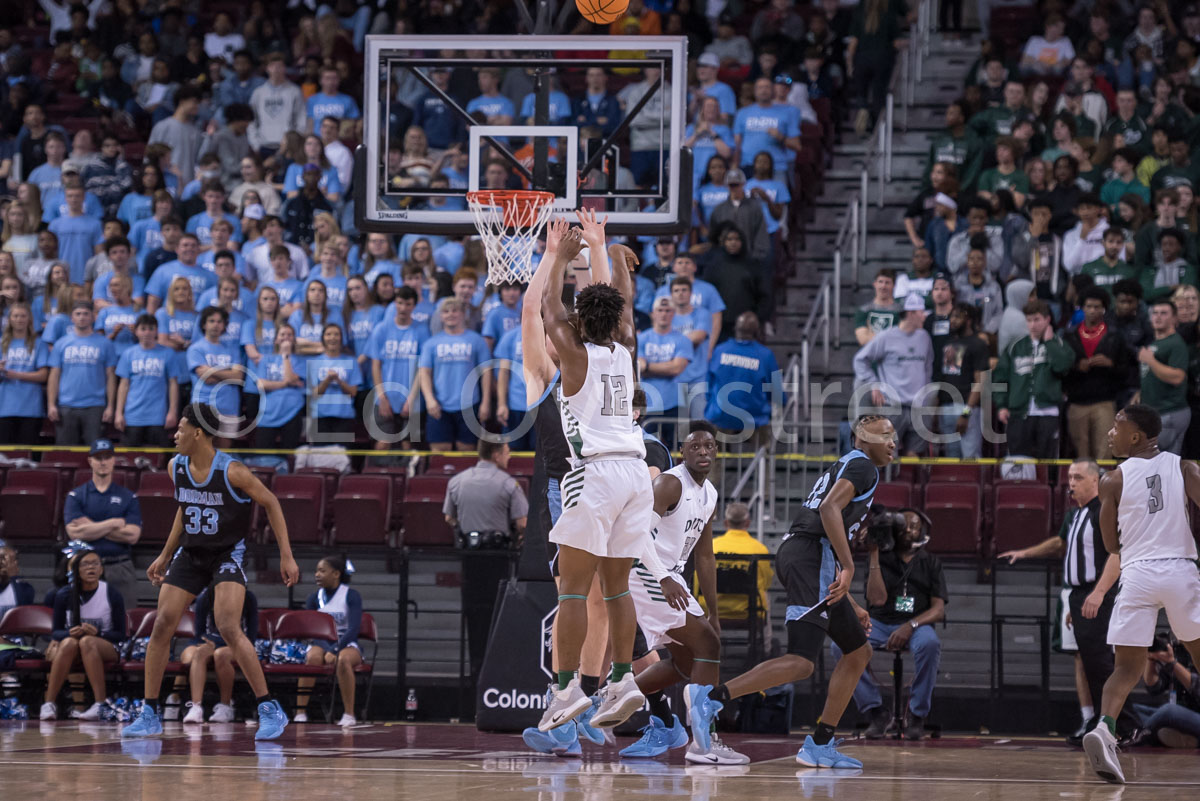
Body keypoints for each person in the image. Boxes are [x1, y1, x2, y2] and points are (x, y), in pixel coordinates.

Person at [687, 415, 895, 769]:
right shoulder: (863, 467)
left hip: (811, 557)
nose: (893, 442)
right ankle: (712, 698)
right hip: (811, 555)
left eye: (894, 436)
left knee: (858, 651)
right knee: (801, 662)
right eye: (885, 435)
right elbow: (829, 509)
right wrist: (849, 566)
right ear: (862, 439)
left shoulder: (851, 464)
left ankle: (820, 743)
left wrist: (851, 603)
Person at [536, 227, 680, 734]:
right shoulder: (626, 351)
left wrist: (559, 257)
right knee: (617, 590)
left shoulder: (575, 357)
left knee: (573, 592)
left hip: (593, 474)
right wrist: (612, 259)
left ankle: (566, 689)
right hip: (635, 475)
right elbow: (627, 311)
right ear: (617, 321)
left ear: (580, 323)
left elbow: (549, 308)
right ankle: (621, 679)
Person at [122, 402, 299, 739]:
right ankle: (148, 712)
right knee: (161, 624)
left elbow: (272, 503)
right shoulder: (176, 467)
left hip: (226, 554)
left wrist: (286, 556)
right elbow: (185, 507)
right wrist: (164, 554)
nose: (174, 435)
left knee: (228, 625)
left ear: (198, 433)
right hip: (191, 553)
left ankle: (269, 707)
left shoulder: (233, 471)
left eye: (180, 430)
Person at [1084, 405, 1200, 783]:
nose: (1110, 435)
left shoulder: (1111, 480)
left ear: (1136, 436)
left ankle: (1103, 728)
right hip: (1180, 569)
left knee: (1126, 668)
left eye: (1116, 429)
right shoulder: (1185, 467)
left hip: (1136, 573)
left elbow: (1110, 543)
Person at [619, 421, 747, 763]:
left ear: (716, 451)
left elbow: (705, 555)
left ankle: (610, 699)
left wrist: (713, 612)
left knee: (686, 661)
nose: (703, 452)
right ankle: (703, 743)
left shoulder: (710, 494)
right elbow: (637, 534)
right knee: (708, 645)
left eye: (708, 447)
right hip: (647, 571)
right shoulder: (669, 483)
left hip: (672, 574)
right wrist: (662, 577)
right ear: (682, 451)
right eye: (695, 447)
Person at [1001, 459, 1135, 742]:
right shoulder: (1076, 514)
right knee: (1090, 663)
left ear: (1094, 481)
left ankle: (1124, 725)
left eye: (1077, 477)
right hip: (1078, 595)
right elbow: (1061, 544)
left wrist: (1098, 593)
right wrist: (1026, 553)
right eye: (1069, 477)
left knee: (1102, 664)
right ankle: (1101, 724)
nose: (1070, 483)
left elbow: (1117, 554)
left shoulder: (1104, 511)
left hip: (1098, 593)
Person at [832, 507, 947, 740]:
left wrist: (910, 626)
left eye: (915, 525)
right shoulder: (882, 558)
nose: (909, 529)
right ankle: (876, 711)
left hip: (916, 625)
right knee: (840, 645)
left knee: (930, 644)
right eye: (904, 525)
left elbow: (938, 610)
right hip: (879, 622)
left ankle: (917, 714)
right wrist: (873, 553)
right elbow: (877, 600)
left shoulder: (930, 562)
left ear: (922, 529)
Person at [443, 439, 529, 683]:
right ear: (496, 453)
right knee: (498, 613)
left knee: (474, 614)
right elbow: (522, 522)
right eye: (507, 451)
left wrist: (465, 528)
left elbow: (449, 517)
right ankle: (496, 674)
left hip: (470, 559)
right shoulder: (508, 484)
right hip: (497, 558)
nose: (509, 456)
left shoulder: (457, 481)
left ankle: (475, 669)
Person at [40, 548, 127, 721]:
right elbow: (56, 631)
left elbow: (121, 634)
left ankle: (100, 704)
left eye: (95, 563)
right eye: (85, 564)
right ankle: (49, 704)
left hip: (107, 646)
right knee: (68, 643)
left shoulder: (111, 593)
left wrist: (99, 633)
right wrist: (68, 633)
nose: (91, 568)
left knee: (87, 641)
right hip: (72, 648)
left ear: (101, 569)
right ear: (76, 570)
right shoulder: (64, 595)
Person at [853, 293, 934, 457]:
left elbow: (928, 366)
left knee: (915, 453)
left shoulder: (924, 337)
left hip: (918, 408)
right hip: (892, 406)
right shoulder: (886, 337)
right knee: (886, 454)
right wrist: (873, 383)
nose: (924, 316)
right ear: (910, 314)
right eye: (921, 312)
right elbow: (860, 360)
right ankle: (887, 482)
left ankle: (910, 481)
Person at [63, 439, 142, 603]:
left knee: (126, 621)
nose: (103, 462)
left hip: (119, 566)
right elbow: (74, 533)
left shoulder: (128, 497)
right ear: (90, 461)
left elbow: (132, 536)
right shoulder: (76, 496)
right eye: (98, 458)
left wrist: (90, 527)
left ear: (113, 460)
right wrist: (113, 523)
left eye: (107, 457)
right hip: (85, 566)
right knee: (83, 619)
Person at [993, 300, 1073, 459]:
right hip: (1018, 412)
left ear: (1047, 319)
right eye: (1029, 320)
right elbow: (999, 379)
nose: (1032, 325)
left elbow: (1063, 366)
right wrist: (1001, 405)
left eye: (1036, 319)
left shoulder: (1059, 343)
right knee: (1019, 460)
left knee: (1048, 460)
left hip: (1048, 411)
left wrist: (1050, 342)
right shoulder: (1015, 346)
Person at [293, 557, 364, 727]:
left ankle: (349, 714)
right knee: (312, 658)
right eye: (316, 571)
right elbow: (310, 630)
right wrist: (327, 649)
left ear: (336, 574)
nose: (317, 575)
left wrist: (335, 649)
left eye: (322, 571)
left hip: (347, 643)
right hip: (322, 642)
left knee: (343, 660)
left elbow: (353, 629)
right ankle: (300, 712)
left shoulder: (351, 595)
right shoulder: (313, 598)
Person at [417, 298, 491, 452]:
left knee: (466, 453)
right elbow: (424, 373)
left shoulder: (476, 340)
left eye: (455, 310)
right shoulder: (431, 343)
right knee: (439, 455)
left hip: (470, 405)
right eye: (446, 311)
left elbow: (486, 372)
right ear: (441, 316)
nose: (450, 314)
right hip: (439, 406)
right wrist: (430, 400)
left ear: (463, 314)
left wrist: (485, 402)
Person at [177, 585, 258, 724]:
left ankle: (225, 706)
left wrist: (243, 645)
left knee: (221, 655)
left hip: (236, 644)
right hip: (211, 641)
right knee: (198, 653)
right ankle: (196, 707)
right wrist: (205, 643)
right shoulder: (205, 597)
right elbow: (199, 630)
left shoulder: (248, 597)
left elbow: (251, 633)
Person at [704, 311, 783, 450]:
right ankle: (765, 470)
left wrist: (712, 404)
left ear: (735, 329)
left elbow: (708, 385)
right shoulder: (765, 355)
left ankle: (712, 471)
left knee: (711, 459)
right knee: (765, 455)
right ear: (757, 331)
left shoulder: (720, 350)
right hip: (755, 417)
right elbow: (777, 392)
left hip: (720, 414)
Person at [1063, 290, 1126, 460]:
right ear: (1082, 308)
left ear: (1104, 309)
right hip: (1077, 402)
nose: (1092, 310)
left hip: (1104, 401)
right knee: (1081, 455)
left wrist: (1110, 364)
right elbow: (1060, 368)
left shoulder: (1115, 336)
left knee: (1104, 453)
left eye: (1097, 307)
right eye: (1089, 306)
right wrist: (1076, 366)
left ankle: (1104, 486)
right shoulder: (1069, 336)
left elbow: (1126, 370)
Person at [46, 301, 118, 445]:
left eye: (86, 314)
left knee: (95, 454)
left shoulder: (105, 344)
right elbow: (54, 376)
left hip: (95, 405)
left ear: (93, 317)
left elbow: (110, 377)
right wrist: (51, 404)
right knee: (66, 454)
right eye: (78, 314)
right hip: (66, 405)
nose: (82, 317)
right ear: (72, 318)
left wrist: (110, 406)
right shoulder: (61, 343)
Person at [702, 502, 774, 625]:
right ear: (747, 523)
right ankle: (766, 644)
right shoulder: (759, 548)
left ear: (726, 523)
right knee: (765, 596)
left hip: (710, 610)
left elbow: (701, 579)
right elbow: (766, 582)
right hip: (749, 611)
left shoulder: (712, 546)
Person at [934, 302, 988, 459]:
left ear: (969, 320)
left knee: (970, 458)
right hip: (946, 408)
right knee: (950, 459)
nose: (952, 320)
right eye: (952, 316)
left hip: (966, 406)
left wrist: (966, 413)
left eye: (957, 316)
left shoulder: (978, 344)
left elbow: (980, 382)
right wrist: (937, 410)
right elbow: (944, 377)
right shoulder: (949, 343)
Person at [1138, 298, 1190, 455]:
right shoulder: (1158, 342)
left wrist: (1151, 361)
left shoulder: (1176, 344)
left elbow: (1178, 377)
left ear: (1174, 318)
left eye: (1164, 313)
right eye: (1155, 313)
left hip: (1169, 412)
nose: (1158, 317)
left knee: (1153, 461)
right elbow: (1151, 375)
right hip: (1156, 412)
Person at [0, 302, 51, 445]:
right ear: (9, 319)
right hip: (4, 407)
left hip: (30, 407)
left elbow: (43, 375)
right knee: (4, 456)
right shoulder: (1, 343)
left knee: (27, 453)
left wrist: (16, 375)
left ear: (29, 319)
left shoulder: (39, 344)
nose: (19, 319)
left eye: (23, 316)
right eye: (15, 316)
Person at [854, 269, 900, 346]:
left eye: (887, 283)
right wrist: (890, 338)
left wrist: (871, 335)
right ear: (875, 284)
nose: (883, 286)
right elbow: (863, 340)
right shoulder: (863, 310)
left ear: (894, 285)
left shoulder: (901, 311)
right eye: (880, 282)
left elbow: (900, 340)